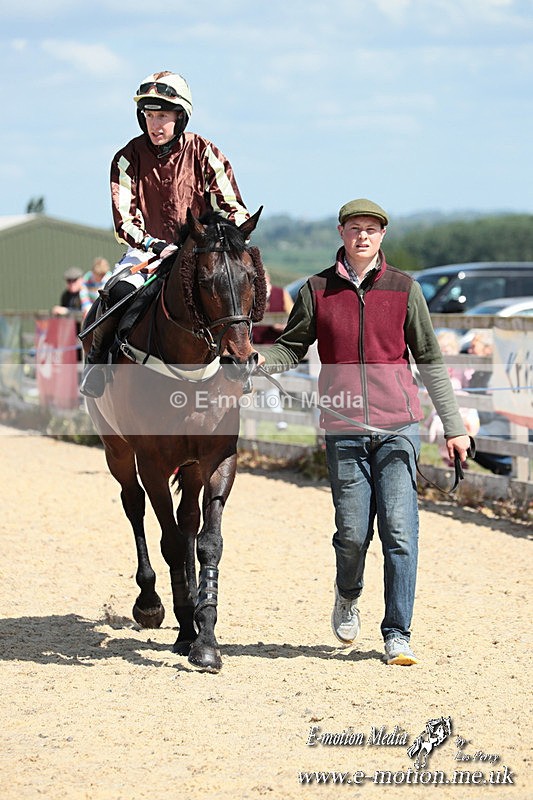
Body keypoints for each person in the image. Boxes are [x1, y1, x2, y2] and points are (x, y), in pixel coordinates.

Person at [257, 198, 471, 666]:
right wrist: (259, 359)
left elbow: (430, 361)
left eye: (371, 230)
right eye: (355, 228)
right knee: (353, 534)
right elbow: (291, 348)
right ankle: (347, 594)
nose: (363, 237)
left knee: (400, 532)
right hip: (344, 427)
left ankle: (397, 632)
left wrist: (453, 427)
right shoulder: (316, 289)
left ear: (382, 236)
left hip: (398, 427)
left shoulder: (404, 289)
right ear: (341, 232)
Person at [80, 70, 249, 398]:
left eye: (163, 116)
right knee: (116, 293)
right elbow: (125, 222)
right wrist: (154, 245)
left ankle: (242, 363)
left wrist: (230, 238)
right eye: (148, 116)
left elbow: (233, 207)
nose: (154, 124)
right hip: (147, 251)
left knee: (237, 286)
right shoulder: (126, 158)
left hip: (200, 250)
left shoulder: (206, 152)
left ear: (180, 117)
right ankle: (96, 363)